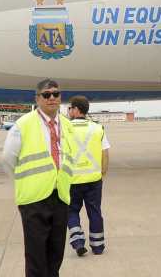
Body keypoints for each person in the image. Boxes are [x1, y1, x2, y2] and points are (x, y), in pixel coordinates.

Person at [1, 79, 77, 277]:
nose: (52, 98)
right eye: (46, 94)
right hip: (34, 199)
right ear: (37, 98)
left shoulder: (67, 125)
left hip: (60, 196)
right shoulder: (23, 124)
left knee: (56, 253)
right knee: (36, 257)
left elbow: (71, 156)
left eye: (56, 94)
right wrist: (24, 182)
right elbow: (8, 158)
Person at [65, 95, 110, 256]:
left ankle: (77, 242)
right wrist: (102, 174)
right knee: (95, 212)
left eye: (70, 108)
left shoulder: (65, 129)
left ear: (76, 110)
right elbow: (105, 154)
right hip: (94, 180)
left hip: (71, 180)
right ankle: (98, 246)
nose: (68, 110)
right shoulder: (98, 129)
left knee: (71, 212)